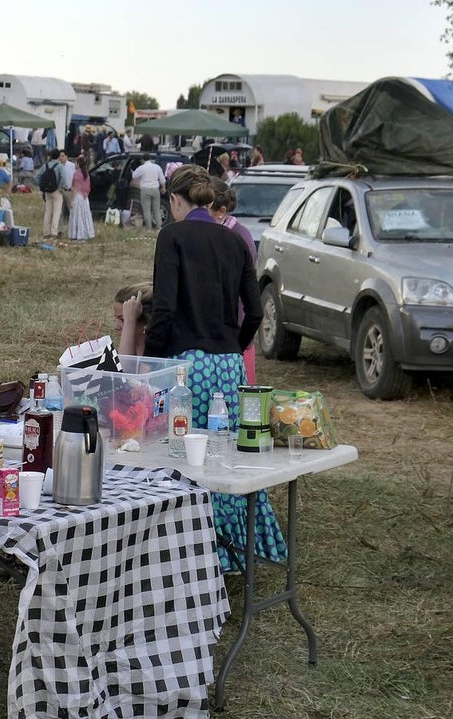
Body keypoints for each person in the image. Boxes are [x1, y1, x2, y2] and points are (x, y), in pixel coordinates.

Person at [144, 163, 286, 573]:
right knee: (226, 462)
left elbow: (165, 309)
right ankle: (239, 550)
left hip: (186, 367)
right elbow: (256, 311)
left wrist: (150, 363)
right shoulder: (235, 241)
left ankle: (193, 553)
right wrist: (232, 348)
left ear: (175, 199)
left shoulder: (172, 236)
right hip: (228, 367)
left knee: (182, 460)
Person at [210, 178, 257, 383]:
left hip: (235, 336)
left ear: (221, 211)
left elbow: (244, 296)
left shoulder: (239, 237)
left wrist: (237, 342)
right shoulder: (219, 234)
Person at [113, 282, 153, 356]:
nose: (116, 327)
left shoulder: (155, 356)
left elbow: (125, 366)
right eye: (116, 319)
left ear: (147, 323)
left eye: (122, 320)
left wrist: (130, 320)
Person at [131, 153, 167, 231]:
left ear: (142, 159)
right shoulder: (157, 167)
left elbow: (134, 176)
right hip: (155, 189)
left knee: (146, 210)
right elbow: (162, 179)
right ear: (150, 159)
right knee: (156, 210)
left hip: (145, 190)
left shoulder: (142, 168)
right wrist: (163, 188)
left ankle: (149, 228)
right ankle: (159, 228)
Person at [36, 149, 65, 239]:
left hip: (47, 191)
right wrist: (60, 187)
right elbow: (63, 178)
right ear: (58, 156)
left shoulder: (46, 165)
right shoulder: (60, 166)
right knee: (56, 212)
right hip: (57, 191)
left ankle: (46, 232)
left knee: (48, 211)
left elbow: (36, 177)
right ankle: (54, 232)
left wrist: (42, 186)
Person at [68, 154, 95, 241]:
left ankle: (77, 234)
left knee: (77, 215)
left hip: (78, 197)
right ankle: (86, 233)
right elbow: (88, 187)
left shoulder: (76, 173)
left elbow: (75, 188)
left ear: (78, 164)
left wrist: (71, 200)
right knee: (85, 215)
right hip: (84, 197)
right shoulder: (86, 173)